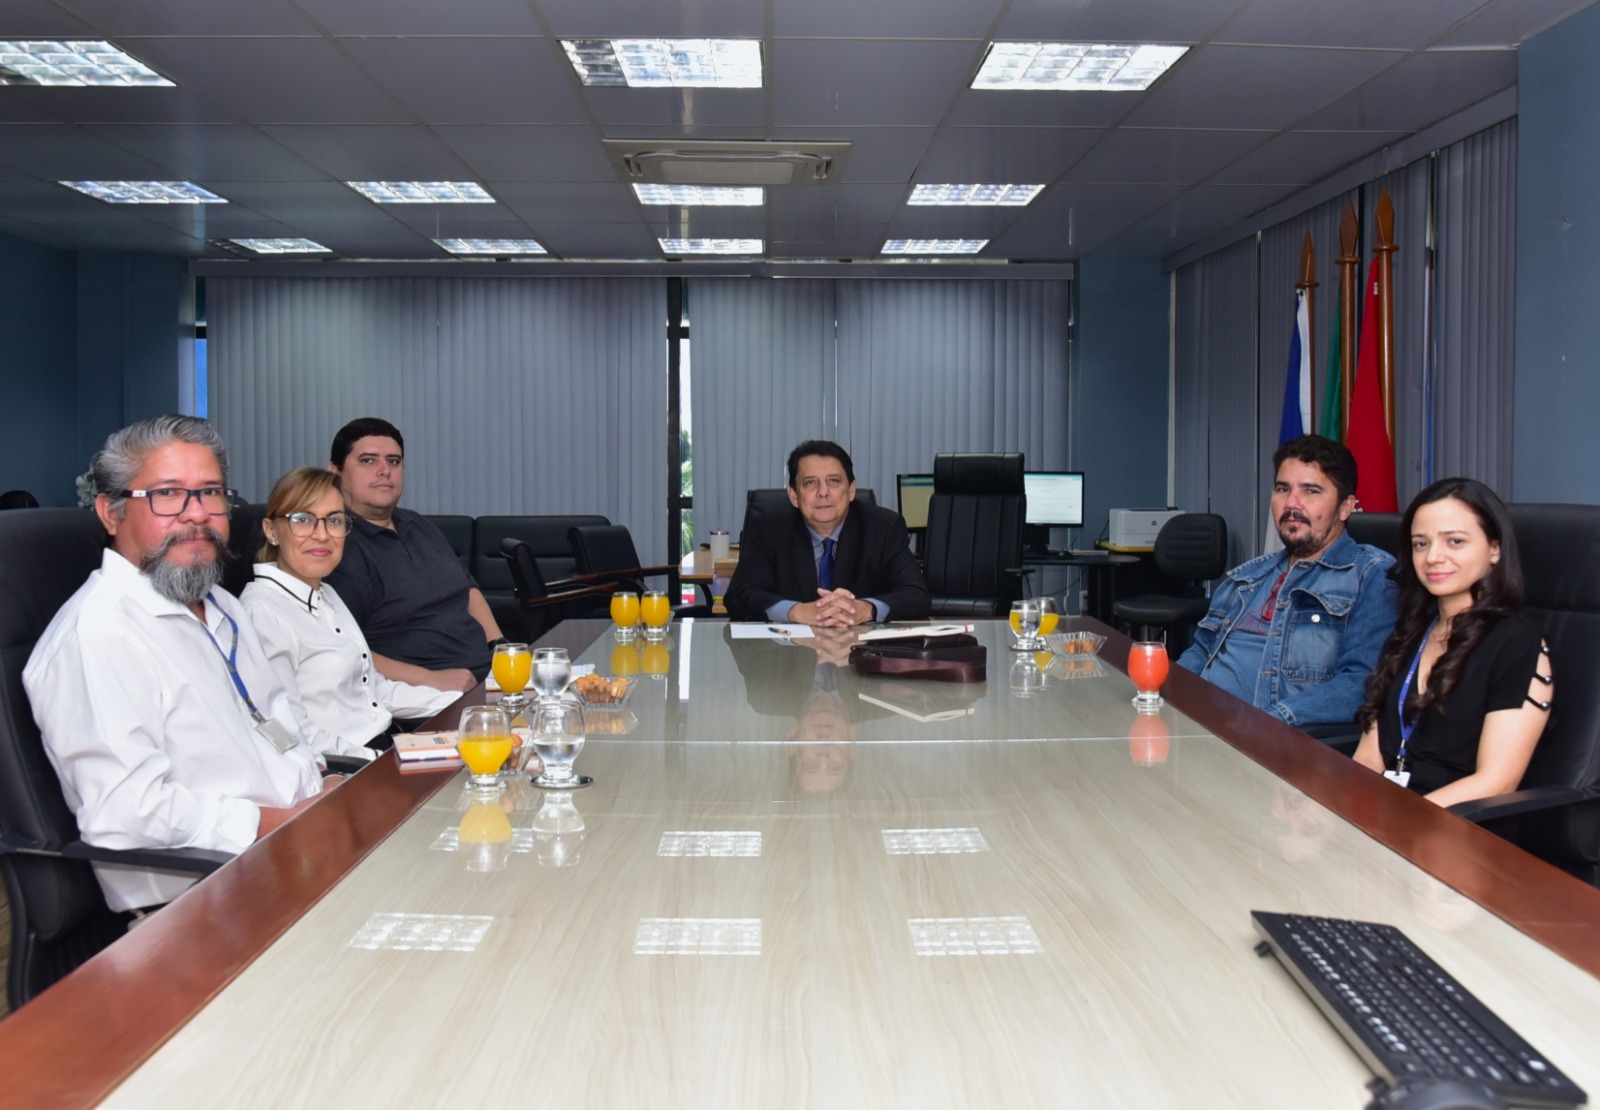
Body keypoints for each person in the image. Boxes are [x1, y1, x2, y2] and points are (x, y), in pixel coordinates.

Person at [23, 415, 337, 913]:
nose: (197, 515)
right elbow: (126, 813)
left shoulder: (222, 606)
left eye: (211, 493)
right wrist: (279, 823)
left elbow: (278, 721)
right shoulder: (99, 635)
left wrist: (323, 784)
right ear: (111, 513)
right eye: (168, 494)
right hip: (209, 902)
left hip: (299, 851)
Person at [1177, 434, 1397, 729]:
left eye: (1311, 491)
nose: (1291, 504)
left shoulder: (1372, 576)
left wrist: (1267, 722)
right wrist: (1162, 693)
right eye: (1283, 489)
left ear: (1346, 508)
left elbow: (1360, 683)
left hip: (1274, 746)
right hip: (1195, 730)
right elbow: (1202, 650)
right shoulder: (1248, 575)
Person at [1353, 478, 1552, 806]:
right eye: (1421, 544)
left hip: (1459, 829)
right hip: (1386, 818)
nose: (1433, 557)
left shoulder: (1516, 641)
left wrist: (1398, 821)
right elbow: (1368, 759)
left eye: (1455, 541)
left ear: (1495, 549)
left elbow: (1497, 782)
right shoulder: (1409, 634)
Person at [241, 468, 461, 759]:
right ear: (271, 531)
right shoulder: (263, 613)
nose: (322, 535)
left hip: (384, 744)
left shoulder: (325, 593)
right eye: (303, 520)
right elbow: (290, 732)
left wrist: (460, 704)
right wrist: (379, 761)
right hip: (343, 769)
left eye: (334, 520)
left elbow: (370, 692)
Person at [323, 418, 500, 689]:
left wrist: (499, 646)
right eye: (368, 461)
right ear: (335, 472)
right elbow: (340, 647)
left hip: (490, 680)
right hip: (426, 697)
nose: (384, 471)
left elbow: (467, 590)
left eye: (393, 461)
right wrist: (431, 680)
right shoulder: (334, 543)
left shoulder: (418, 524)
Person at [723, 439, 931, 626]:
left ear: (851, 490)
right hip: (789, 659)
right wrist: (795, 611)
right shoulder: (768, 531)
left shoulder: (884, 527)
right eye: (810, 482)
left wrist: (866, 609)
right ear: (794, 495)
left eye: (834, 481)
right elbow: (739, 596)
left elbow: (916, 595)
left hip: (861, 656)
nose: (823, 492)